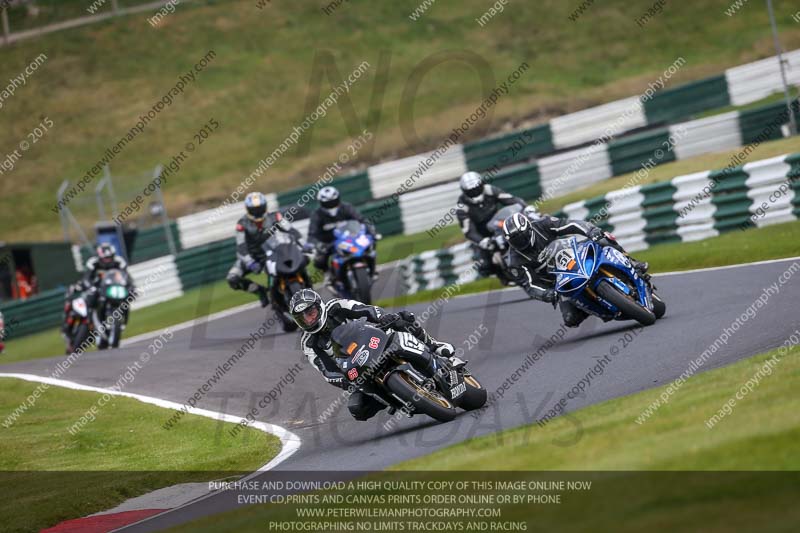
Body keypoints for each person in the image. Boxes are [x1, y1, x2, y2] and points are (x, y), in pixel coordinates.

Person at [289, 289, 454, 421]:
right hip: (357, 368)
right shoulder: (308, 343)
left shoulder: (337, 306)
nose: (308, 320)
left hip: (374, 340)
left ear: (319, 307)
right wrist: (344, 380)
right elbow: (325, 370)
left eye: (310, 313)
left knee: (403, 319)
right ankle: (396, 399)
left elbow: (366, 310)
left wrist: (384, 318)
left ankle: (434, 345)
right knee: (358, 408)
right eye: (302, 318)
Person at [502, 211, 649, 328]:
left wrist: (591, 231)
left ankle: (633, 263)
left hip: (577, 252)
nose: (520, 242)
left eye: (521, 237)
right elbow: (530, 285)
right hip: (558, 282)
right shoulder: (515, 261)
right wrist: (547, 294)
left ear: (528, 229)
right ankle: (593, 306)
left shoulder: (542, 224)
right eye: (515, 240)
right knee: (570, 320)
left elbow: (570, 225)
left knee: (604, 239)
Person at [227, 192, 303, 307]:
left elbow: (291, 230)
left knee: (299, 261)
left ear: (265, 207)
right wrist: (250, 262)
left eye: (259, 208)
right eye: (254, 209)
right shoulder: (241, 224)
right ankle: (259, 291)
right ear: (248, 209)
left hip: (274, 252)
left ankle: (304, 284)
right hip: (253, 257)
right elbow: (241, 247)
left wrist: (302, 244)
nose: (257, 212)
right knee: (232, 278)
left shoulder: (275, 216)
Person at [455, 171, 533, 279]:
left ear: (481, 184)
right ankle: (502, 274)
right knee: (485, 266)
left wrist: (525, 207)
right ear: (464, 191)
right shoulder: (462, 207)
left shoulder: (490, 190)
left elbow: (510, 199)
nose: (475, 192)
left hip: (498, 223)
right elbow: (468, 230)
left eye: (477, 188)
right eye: (471, 191)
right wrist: (481, 241)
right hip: (482, 234)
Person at [307, 186, 377, 287]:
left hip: (349, 239)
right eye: (328, 203)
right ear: (321, 203)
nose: (331, 205)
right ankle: (328, 275)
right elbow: (312, 233)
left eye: (333, 201)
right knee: (319, 259)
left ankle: (372, 269)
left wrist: (371, 231)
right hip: (328, 243)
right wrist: (314, 244)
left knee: (371, 244)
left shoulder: (347, 208)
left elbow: (361, 220)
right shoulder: (317, 215)